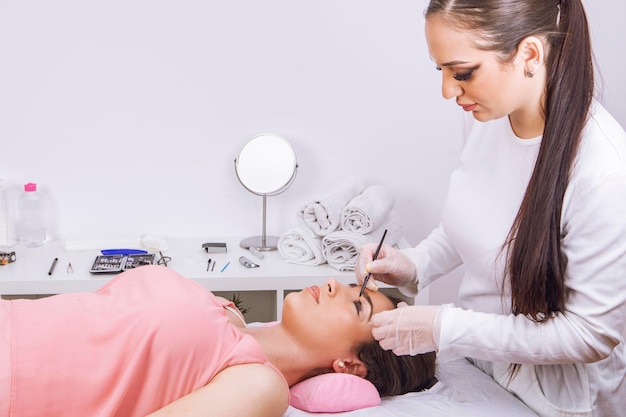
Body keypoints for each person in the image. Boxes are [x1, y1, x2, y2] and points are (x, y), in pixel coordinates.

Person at [356, 1, 626, 416]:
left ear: (530, 55)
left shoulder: (602, 171)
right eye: (441, 70)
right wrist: (413, 264)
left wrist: (445, 327)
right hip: (481, 367)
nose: (448, 90)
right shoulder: (487, 117)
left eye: (462, 73)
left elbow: (589, 334)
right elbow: (475, 220)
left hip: (554, 398)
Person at [0, 264, 436, 417]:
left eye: (357, 305)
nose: (333, 284)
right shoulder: (227, 314)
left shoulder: (260, 386)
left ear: (349, 365)